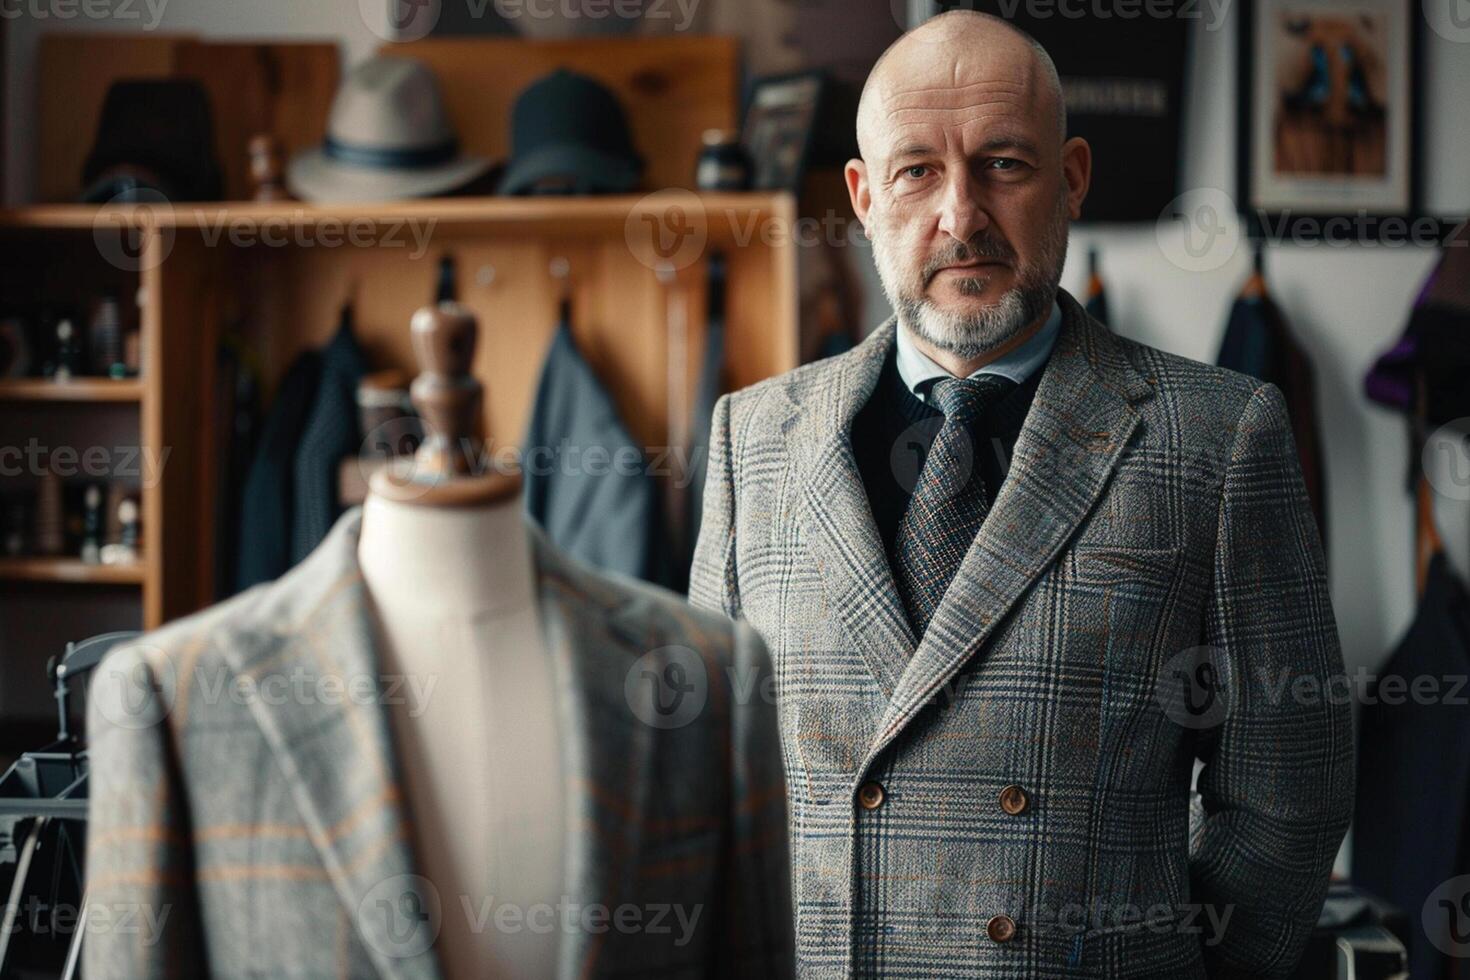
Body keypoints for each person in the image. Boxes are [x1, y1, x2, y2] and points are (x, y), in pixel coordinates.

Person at [690, 10, 1352, 978]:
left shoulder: (1219, 434)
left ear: (1073, 176)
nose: (961, 215)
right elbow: (714, 776)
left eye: (1004, 163)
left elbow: (1289, 796)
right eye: (917, 170)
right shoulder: (753, 438)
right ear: (864, 195)